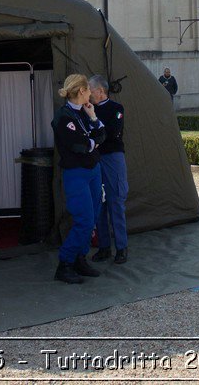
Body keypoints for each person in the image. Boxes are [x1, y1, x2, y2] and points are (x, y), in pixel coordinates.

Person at [51, 73, 106, 284]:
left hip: (93, 169)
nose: (91, 93)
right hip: (76, 173)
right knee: (84, 220)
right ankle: (65, 263)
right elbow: (78, 146)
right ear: (81, 91)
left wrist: (93, 118)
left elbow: (101, 135)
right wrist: (93, 142)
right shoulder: (63, 116)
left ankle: (79, 259)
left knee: (92, 218)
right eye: (88, 90)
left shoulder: (84, 112)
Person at [88, 75, 128, 264]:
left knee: (116, 201)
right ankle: (104, 247)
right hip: (96, 159)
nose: (87, 93)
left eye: (90, 89)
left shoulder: (116, 109)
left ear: (100, 91)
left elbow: (112, 133)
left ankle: (121, 247)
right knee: (98, 203)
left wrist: (96, 131)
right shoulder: (87, 110)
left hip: (112, 158)